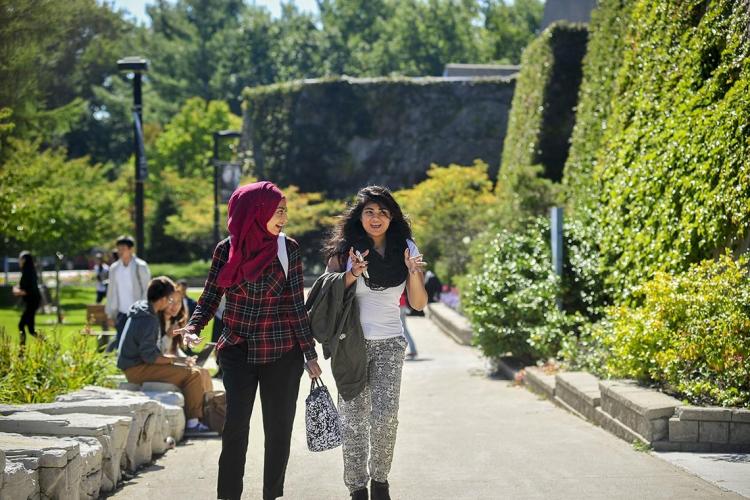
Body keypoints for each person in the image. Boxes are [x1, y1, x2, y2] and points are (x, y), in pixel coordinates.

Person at [174, 181, 322, 500]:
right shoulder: (226, 250)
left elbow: (296, 304)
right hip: (237, 349)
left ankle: (272, 494)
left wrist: (309, 354)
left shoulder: (288, 249)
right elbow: (211, 294)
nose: (283, 217)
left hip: (282, 351)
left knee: (278, 430)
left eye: (285, 211)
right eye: (277, 211)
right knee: (236, 428)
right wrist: (194, 325)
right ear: (256, 211)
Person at [318, 185, 427, 500]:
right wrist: (351, 274)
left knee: (385, 417)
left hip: (391, 343)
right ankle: (356, 489)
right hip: (350, 345)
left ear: (392, 217)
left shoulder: (405, 247)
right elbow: (326, 298)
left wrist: (413, 273)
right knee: (353, 421)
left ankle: (380, 481)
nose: (376, 218)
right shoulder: (345, 252)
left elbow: (418, 304)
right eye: (369, 212)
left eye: (382, 212)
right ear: (359, 216)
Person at [116, 276, 212, 433]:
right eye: (169, 299)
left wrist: (178, 360)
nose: (170, 302)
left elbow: (150, 353)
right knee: (192, 375)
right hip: (137, 369)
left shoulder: (144, 310)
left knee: (194, 372)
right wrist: (177, 360)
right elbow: (150, 357)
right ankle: (193, 424)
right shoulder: (149, 318)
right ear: (162, 298)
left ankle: (202, 415)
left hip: (136, 366)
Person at [159, 287, 213, 394]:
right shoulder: (156, 322)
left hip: (171, 363)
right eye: (171, 301)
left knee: (204, 372)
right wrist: (168, 336)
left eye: (179, 302)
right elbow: (157, 353)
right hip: (161, 365)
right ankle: (207, 406)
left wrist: (187, 359)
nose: (175, 306)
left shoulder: (174, 322)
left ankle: (209, 406)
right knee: (199, 373)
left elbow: (175, 349)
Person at [105, 235, 151, 352]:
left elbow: (147, 289)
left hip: (138, 313)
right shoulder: (114, 268)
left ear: (131, 249)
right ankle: (124, 369)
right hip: (121, 313)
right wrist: (110, 314)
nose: (120, 252)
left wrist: (144, 309)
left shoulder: (140, 266)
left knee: (137, 344)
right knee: (122, 345)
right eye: (118, 249)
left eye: (123, 248)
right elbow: (111, 292)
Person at [13, 251, 42, 346]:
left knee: (21, 325)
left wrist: (17, 291)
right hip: (32, 302)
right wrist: (18, 288)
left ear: (24, 260)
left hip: (32, 302)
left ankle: (21, 352)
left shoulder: (28, 272)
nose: (19, 261)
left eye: (20, 259)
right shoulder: (28, 271)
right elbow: (24, 286)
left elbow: (28, 290)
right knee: (31, 330)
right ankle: (49, 345)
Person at [399, 291, 418, 359]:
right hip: (401, 304)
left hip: (399, 304)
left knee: (403, 330)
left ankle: (413, 350)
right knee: (403, 330)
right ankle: (413, 350)